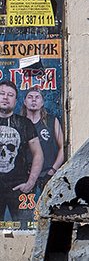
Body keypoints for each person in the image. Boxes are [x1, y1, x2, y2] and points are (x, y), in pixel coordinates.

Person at [0, 80, 42, 223]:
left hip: (19, 189)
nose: (5, 97)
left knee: (26, 230)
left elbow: (38, 154)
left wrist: (30, 182)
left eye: (10, 95)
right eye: (2, 94)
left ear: (16, 101)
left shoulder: (25, 124)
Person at [21, 88, 63, 194]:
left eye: (37, 97)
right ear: (25, 102)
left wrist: (53, 170)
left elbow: (63, 147)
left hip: (48, 177)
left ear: (42, 102)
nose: (33, 100)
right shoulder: (19, 123)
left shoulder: (52, 121)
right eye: (30, 97)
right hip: (25, 178)